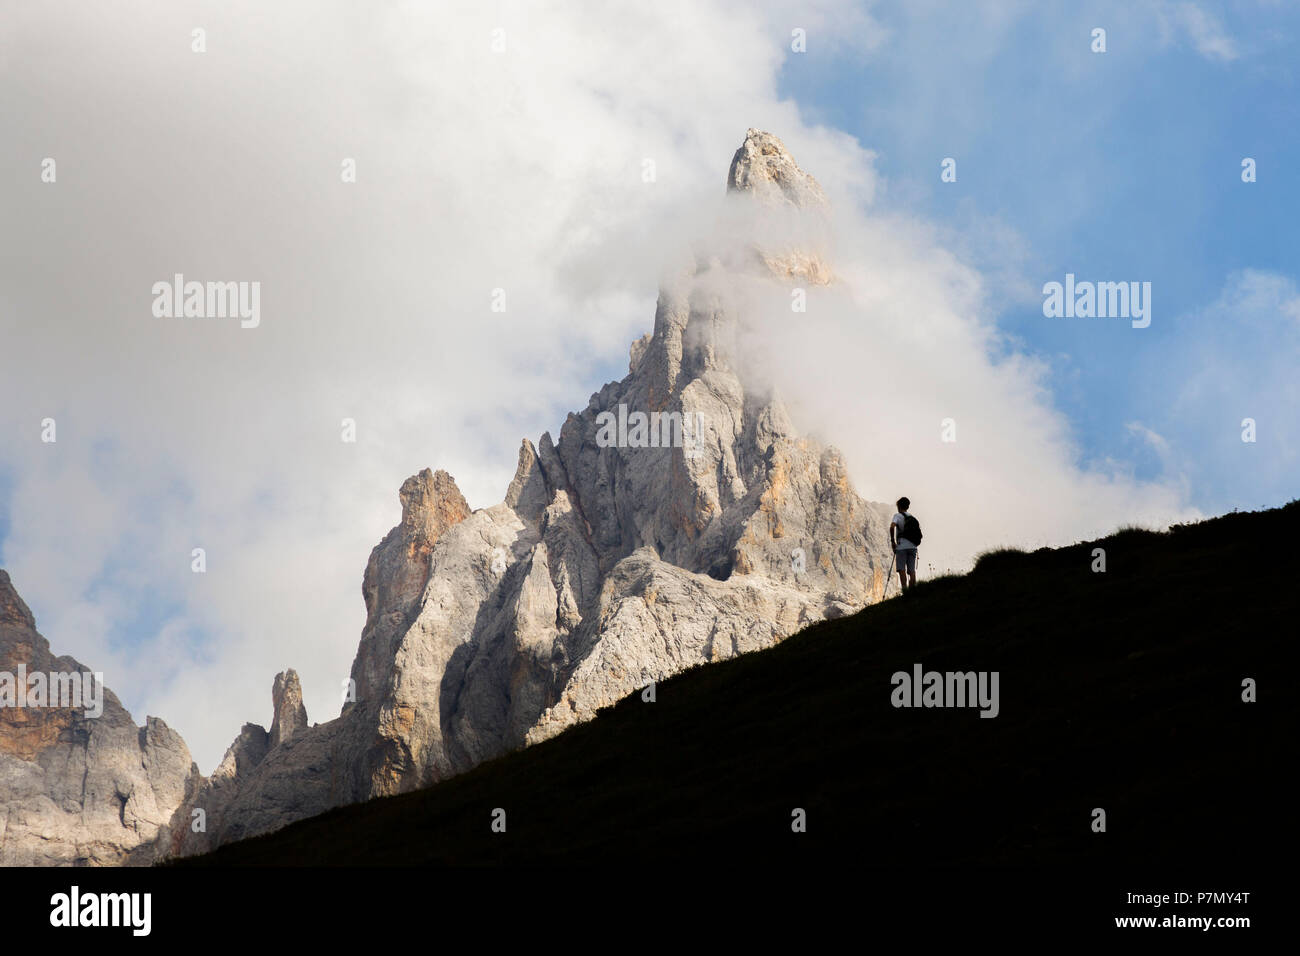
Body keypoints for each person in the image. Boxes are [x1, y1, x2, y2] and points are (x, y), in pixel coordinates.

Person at [889, 497, 921, 593]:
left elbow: (892, 527)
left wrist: (892, 541)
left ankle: (905, 591)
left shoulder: (897, 516)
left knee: (901, 569)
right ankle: (912, 591)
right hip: (913, 547)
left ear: (899, 506)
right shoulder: (912, 518)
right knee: (912, 571)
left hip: (901, 546)